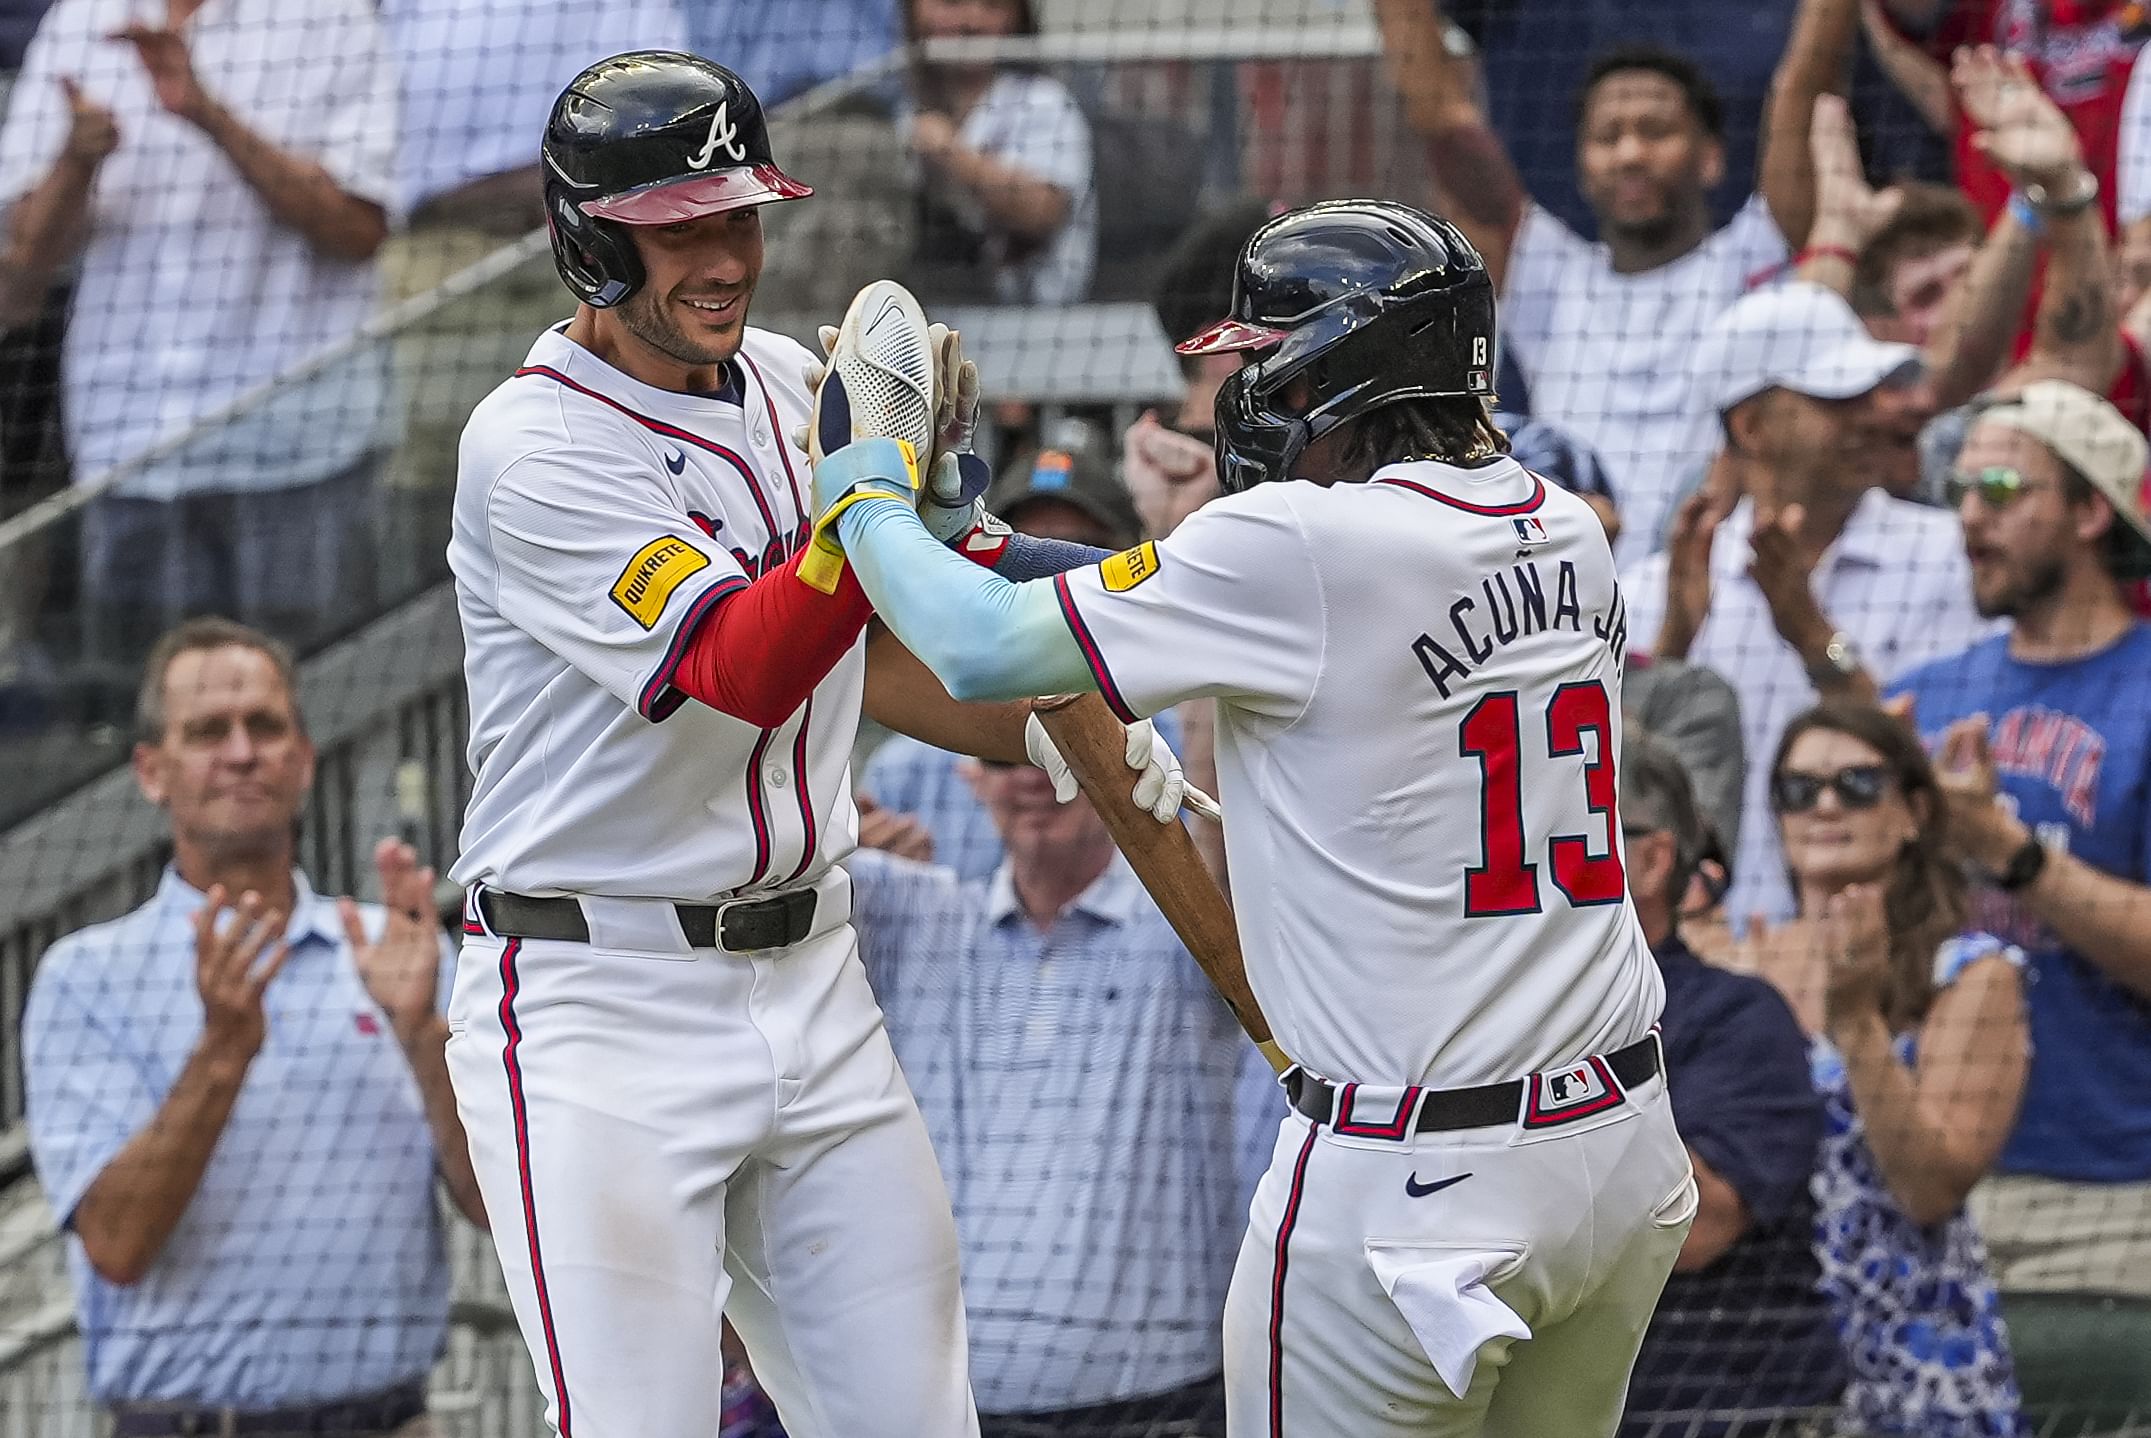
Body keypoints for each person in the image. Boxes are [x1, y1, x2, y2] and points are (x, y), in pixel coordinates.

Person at [813, 198, 1694, 1436]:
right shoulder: (1563, 524)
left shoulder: (1298, 540)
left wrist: (870, 506)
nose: (1243, 386)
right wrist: (980, 537)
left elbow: (974, 652)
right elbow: (1211, 601)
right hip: (1617, 1152)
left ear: (1340, 362)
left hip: (1410, 1195)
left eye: (1259, 355)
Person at [441, 53, 1187, 1437]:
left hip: (815, 978)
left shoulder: (791, 380)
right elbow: (739, 664)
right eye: (679, 227)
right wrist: (867, 500)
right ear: (588, 239)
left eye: (738, 216)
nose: (724, 256)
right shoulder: (531, 444)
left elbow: (898, 642)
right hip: (601, 1000)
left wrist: (1090, 695)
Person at [20, 617, 481, 1437]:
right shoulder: (85, 977)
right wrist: (222, 1052)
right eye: (207, 732)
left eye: (265, 726)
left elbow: (498, 1209)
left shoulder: (398, 953)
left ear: (303, 759)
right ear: (152, 772)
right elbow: (118, 1244)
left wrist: (421, 1036)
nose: (241, 752)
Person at [1372, 0, 1849, 568]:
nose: (1630, 154)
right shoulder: (1545, 274)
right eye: (1608, 135)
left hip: (1722, 582)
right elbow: (1444, 120)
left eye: (1656, 130)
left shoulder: (1757, 253)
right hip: (1562, 585)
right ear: (1581, 163)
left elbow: (1804, 79)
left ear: (1711, 157)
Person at [852, 759, 1246, 1437]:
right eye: (1005, 760)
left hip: (1159, 1410)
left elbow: (1231, 786)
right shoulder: (920, 917)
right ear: (969, 776)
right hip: (941, 1412)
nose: (1033, 781)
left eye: (1066, 760)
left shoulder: (1190, 929)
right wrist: (830, 830)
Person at [0, 0, 395, 663]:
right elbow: (17, 280)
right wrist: (76, 160)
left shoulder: (329, 18)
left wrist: (206, 114)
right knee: (144, 723)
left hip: (297, 447)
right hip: (130, 447)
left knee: (321, 703)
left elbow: (359, 229)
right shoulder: (80, 20)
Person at [1887, 381, 2151, 1308]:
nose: (1966, 517)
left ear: (2090, 510)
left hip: (2112, 1198)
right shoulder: (1925, 693)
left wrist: (2009, 853)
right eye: (1960, 491)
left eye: (2000, 489)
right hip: (1928, 1170)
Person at [1622, 280, 1990, 928]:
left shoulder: (1951, 561)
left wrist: (1813, 635)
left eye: (1867, 393)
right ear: (1751, 426)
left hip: (1900, 942)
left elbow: (1936, 783)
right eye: (1833, 398)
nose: (1870, 415)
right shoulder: (1652, 589)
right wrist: (1674, 641)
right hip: (1713, 954)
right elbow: (1617, 795)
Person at [1740, 703, 2029, 1437]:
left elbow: (1928, 1188)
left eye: (1858, 783)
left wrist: (1855, 1022)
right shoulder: (1737, 971)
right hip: (1752, 1360)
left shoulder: (1970, 976)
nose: (1825, 804)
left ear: (1912, 813)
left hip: (1916, 1363)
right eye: (1798, 789)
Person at [373, 0, 690, 600]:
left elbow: (653, 95)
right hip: (441, 248)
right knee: (432, 469)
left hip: (592, 238)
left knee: (615, 427)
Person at [1613, 732, 1843, 1438]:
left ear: (1651, 859)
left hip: (1728, 1411)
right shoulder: (1487, 1018)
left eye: (1556, 832)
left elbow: (1692, 1228)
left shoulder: (1738, 1016)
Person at [863, 425, 1149, 881]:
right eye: (1023, 551)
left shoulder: (1176, 732)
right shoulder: (911, 763)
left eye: (1069, 550)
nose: (1049, 580)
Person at [903, 0, 1094, 305]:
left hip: (1030, 320)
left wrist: (948, 153)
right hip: (920, 318)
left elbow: (1042, 210)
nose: (972, 21)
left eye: (993, 5)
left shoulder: (1042, 101)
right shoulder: (899, 104)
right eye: (951, 3)